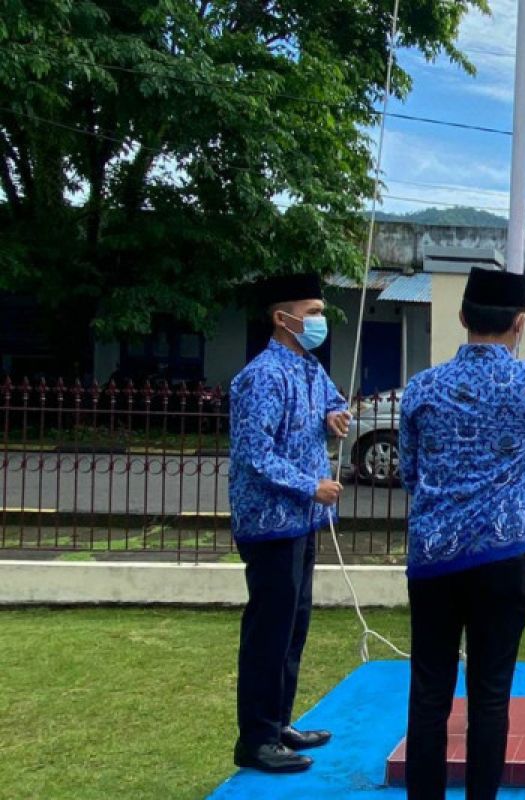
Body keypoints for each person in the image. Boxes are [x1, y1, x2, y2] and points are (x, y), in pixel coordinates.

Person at [399, 232, 525, 800]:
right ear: (519, 322)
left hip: (433, 559)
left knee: (430, 692)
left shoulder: (421, 390)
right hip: (504, 562)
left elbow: (410, 472)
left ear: (462, 317)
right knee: (490, 693)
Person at [228, 273, 352, 773]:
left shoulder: (307, 368)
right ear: (284, 319)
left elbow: (334, 400)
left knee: (293, 628)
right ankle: (256, 739)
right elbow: (254, 454)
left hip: (303, 522)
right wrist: (310, 485)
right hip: (271, 522)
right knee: (269, 633)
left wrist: (336, 416)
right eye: (313, 311)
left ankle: (279, 723)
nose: (319, 320)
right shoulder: (263, 376)